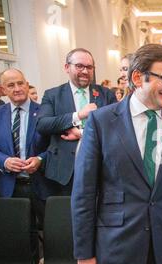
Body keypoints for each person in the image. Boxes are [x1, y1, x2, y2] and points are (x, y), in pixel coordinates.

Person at [72, 44, 162, 264]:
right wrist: (84, 251)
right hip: (116, 247)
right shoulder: (102, 122)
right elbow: (84, 191)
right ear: (138, 77)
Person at [0, 69, 50, 264]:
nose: (18, 88)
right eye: (11, 85)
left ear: (27, 84)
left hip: (41, 184)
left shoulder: (44, 111)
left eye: (20, 83)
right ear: (3, 89)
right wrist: (4, 161)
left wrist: (39, 159)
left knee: (51, 233)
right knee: (20, 236)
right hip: (10, 185)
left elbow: (55, 148)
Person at [36, 48, 116, 195]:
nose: (85, 71)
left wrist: (82, 133)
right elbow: (43, 124)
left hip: (101, 169)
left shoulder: (106, 95)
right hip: (64, 173)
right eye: (79, 66)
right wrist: (78, 115)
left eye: (89, 67)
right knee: (66, 216)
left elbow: (116, 128)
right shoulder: (53, 95)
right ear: (67, 67)